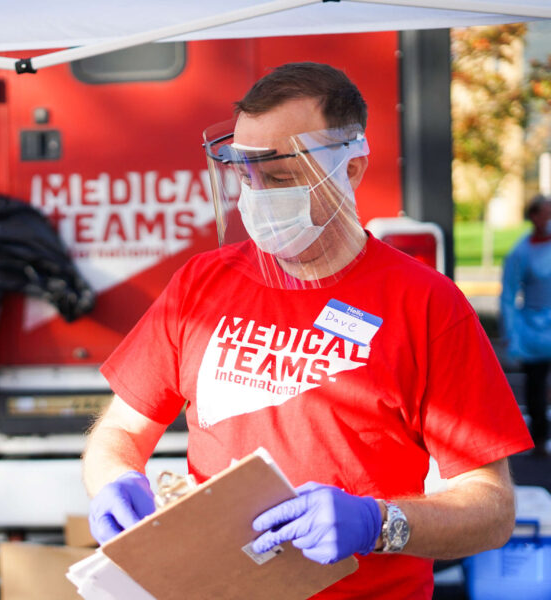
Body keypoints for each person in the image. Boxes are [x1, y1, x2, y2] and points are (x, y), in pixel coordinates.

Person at [83, 62, 532, 599]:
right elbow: (120, 432)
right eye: (246, 175)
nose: (257, 195)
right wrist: (112, 478)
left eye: (279, 177)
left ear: (353, 168)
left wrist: (380, 523)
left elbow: (491, 508)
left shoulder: (426, 303)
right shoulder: (200, 284)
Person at [500, 194, 551, 457]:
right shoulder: (521, 253)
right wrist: (510, 333)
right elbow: (508, 295)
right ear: (533, 217)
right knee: (535, 385)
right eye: (545, 213)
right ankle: (540, 436)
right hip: (536, 331)